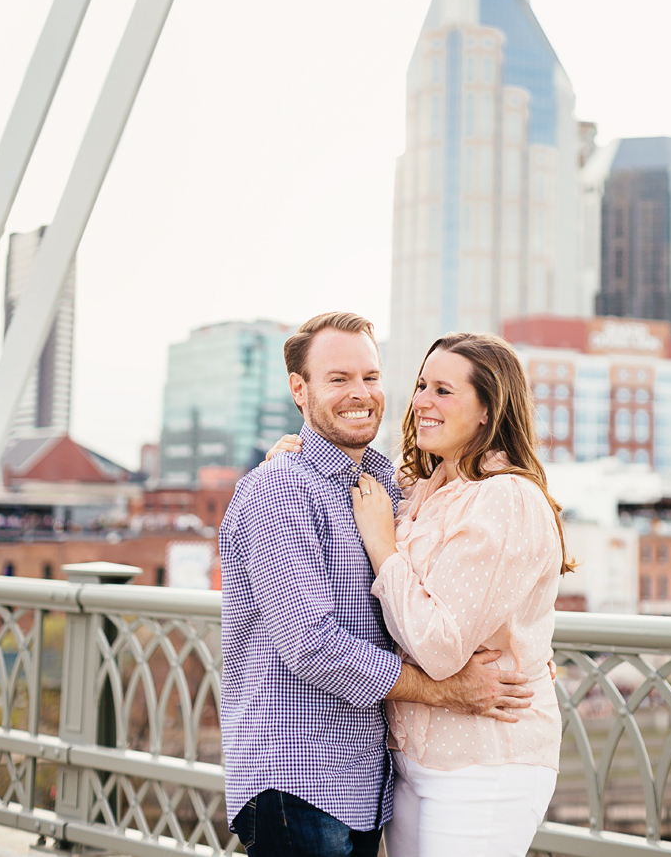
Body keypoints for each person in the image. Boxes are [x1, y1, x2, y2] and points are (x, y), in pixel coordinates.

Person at [219, 312, 535, 857]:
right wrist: (446, 690)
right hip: (298, 778)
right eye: (338, 379)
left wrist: (524, 639)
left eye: (371, 376)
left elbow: (462, 552)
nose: (360, 393)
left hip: (369, 783)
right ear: (299, 389)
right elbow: (311, 644)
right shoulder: (279, 491)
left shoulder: (389, 485)